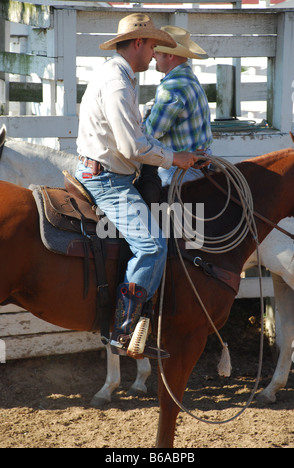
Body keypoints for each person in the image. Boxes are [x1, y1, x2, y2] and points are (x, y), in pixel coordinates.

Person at [75, 13, 200, 360]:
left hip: (109, 172)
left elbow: (137, 138)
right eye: (153, 45)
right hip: (108, 180)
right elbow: (133, 146)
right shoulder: (117, 82)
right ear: (139, 43)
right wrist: (177, 158)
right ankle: (123, 329)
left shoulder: (118, 75)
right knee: (152, 246)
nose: (154, 53)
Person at [144, 25, 213, 187]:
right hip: (197, 161)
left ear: (169, 55)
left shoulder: (172, 87)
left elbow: (150, 133)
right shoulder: (189, 78)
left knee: (155, 208)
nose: (153, 54)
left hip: (179, 168)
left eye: (157, 52)